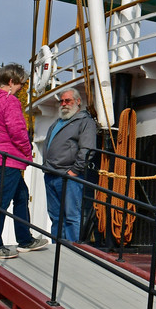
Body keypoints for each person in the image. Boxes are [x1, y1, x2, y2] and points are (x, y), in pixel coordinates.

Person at [0, 64, 50, 259]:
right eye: (21, 83)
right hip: (8, 158)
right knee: (2, 201)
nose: (21, 88)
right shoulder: (10, 101)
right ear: (11, 82)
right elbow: (17, 130)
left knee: (21, 195)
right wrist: (28, 152)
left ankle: (25, 239)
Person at [42, 88, 96, 242]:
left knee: (72, 216)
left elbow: (87, 149)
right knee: (55, 217)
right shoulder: (57, 123)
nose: (64, 104)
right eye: (62, 101)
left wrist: (74, 170)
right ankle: (56, 248)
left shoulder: (85, 121)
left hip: (69, 176)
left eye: (68, 101)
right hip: (51, 175)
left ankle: (72, 250)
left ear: (78, 101)